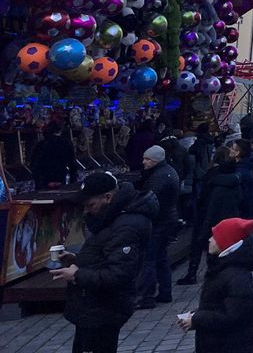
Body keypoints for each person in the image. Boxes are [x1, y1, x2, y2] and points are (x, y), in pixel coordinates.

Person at [51, 171, 158, 353]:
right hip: (95, 307)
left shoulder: (126, 225)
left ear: (108, 197)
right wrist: (78, 260)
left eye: (90, 204)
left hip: (105, 307)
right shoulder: (111, 217)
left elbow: (118, 274)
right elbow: (106, 255)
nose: (87, 210)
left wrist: (76, 274)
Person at [176, 217, 253, 353]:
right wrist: (195, 316)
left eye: (215, 236)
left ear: (226, 242)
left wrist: (198, 319)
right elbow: (218, 307)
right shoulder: (225, 269)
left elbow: (233, 317)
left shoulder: (236, 277)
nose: (210, 239)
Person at [179, 146, 243, 284]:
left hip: (208, 215)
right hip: (227, 217)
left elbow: (206, 199)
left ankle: (195, 272)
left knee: (200, 245)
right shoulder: (235, 179)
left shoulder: (213, 177)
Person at [138, 144, 181, 308]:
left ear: (155, 160)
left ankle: (147, 296)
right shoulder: (168, 171)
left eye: (147, 159)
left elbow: (149, 200)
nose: (144, 162)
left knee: (149, 259)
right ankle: (165, 291)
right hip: (168, 220)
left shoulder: (158, 176)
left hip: (159, 222)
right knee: (161, 257)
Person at [32, 122, 78, 189]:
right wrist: (73, 182)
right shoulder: (67, 143)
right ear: (60, 130)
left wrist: (41, 182)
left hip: (44, 182)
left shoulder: (41, 144)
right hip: (60, 179)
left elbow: (35, 165)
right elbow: (72, 165)